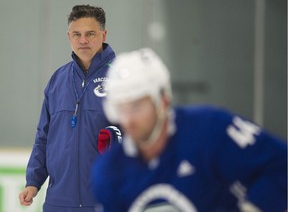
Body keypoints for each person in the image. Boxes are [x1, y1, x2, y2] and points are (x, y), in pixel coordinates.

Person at [91, 48, 287, 212]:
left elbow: (281, 165)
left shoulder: (210, 129)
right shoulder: (108, 171)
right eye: (120, 109)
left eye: (137, 107)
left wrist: (255, 206)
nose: (128, 119)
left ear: (164, 101)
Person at [18, 5, 120, 212]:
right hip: (59, 201)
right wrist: (33, 181)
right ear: (69, 36)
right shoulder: (58, 80)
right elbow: (44, 136)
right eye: (77, 34)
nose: (83, 40)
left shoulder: (122, 76)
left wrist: (120, 138)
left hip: (106, 198)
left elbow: (143, 133)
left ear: (103, 34)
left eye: (90, 34)